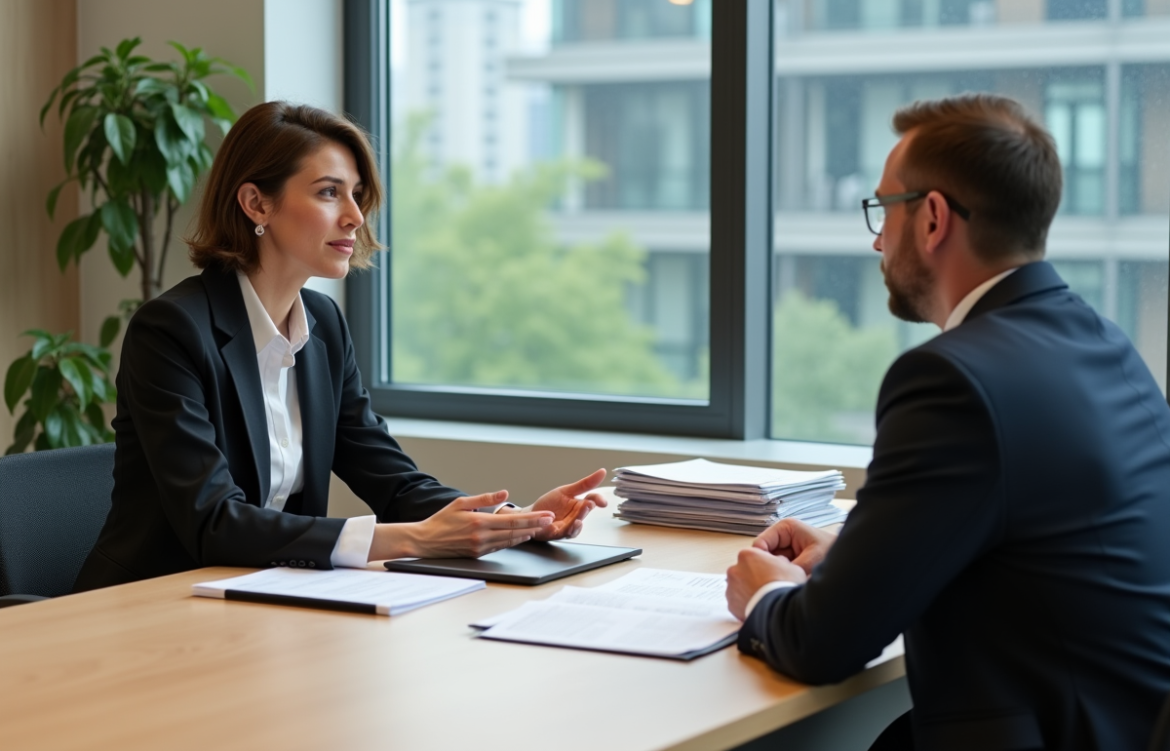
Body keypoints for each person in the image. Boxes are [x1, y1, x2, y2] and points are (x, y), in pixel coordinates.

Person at [725, 94, 1170, 750]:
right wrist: (857, 552)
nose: (877, 240)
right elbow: (1035, 531)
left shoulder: (951, 380)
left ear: (932, 218)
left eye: (884, 209)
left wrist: (766, 597)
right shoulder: (1102, 342)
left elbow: (822, 646)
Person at [74, 101, 607, 591]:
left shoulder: (323, 325)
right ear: (256, 203)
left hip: (263, 597)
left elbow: (391, 479)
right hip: (148, 604)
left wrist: (513, 522)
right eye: (329, 192)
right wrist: (412, 540)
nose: (354, 215)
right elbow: (213, 521)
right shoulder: (171, 330)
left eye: (356, 194)